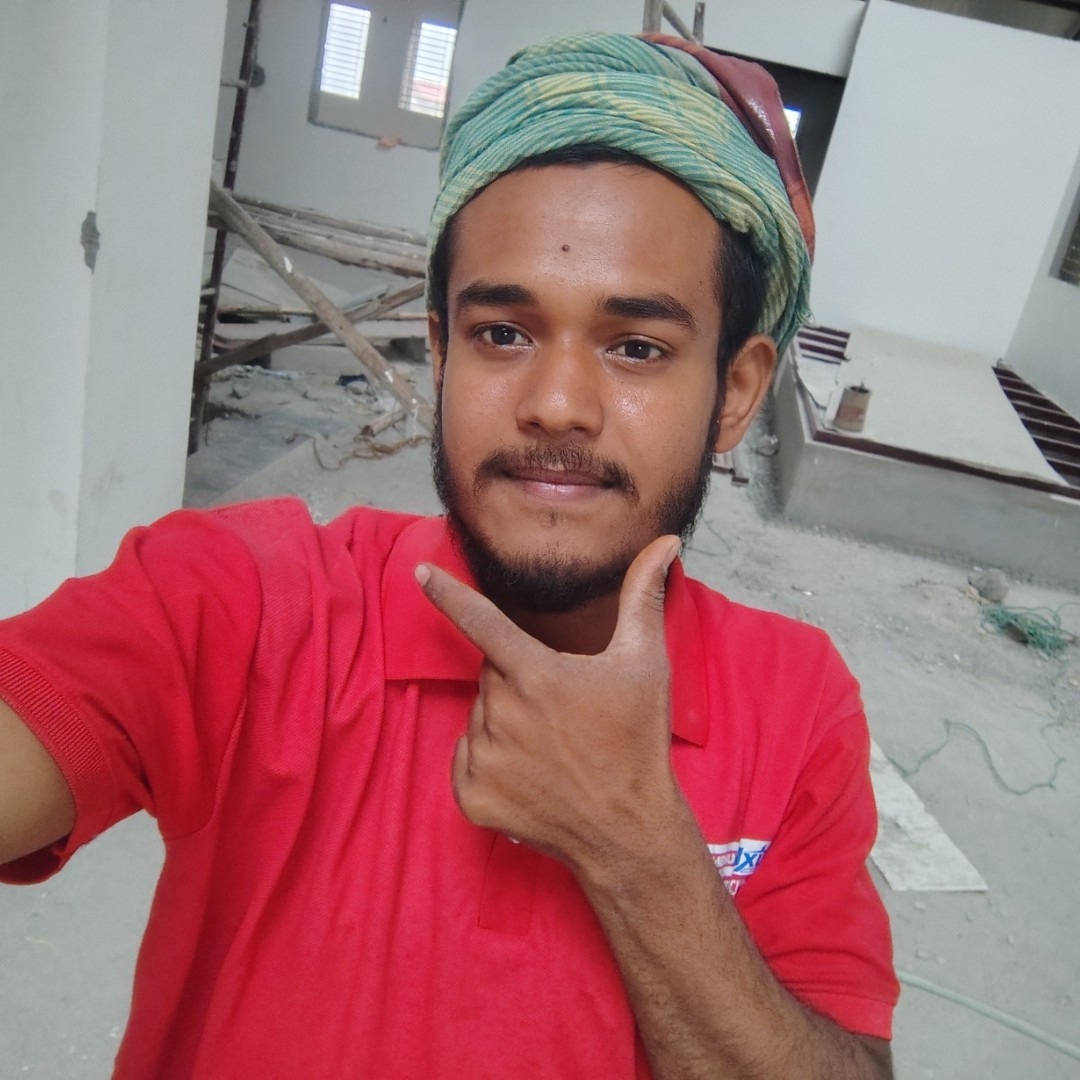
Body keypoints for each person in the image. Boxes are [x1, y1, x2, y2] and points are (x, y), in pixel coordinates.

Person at [0, 31, 898, 1079]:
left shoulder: (799, 707)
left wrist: (635, 846)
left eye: (636, 347)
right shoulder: (248, 601)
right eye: (502, 333)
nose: (555, 404)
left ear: (735, 392)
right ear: (438, 350)